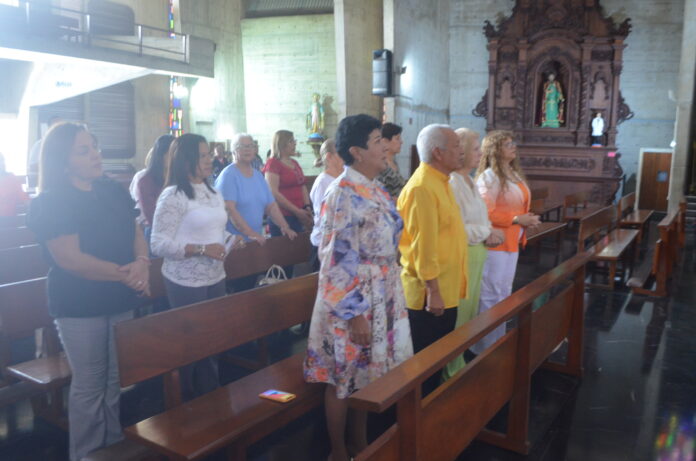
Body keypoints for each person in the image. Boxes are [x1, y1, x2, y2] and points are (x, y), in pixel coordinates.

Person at [27, 122, 149, 461]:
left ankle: (110, 448)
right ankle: (85, 454)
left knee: (114, 379)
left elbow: (135, 227)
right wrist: (126, 274)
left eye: (94, 147)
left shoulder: (110, 190)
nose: (96, 154)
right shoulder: (52, 201)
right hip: (79, 302)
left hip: (118, 294)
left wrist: (142, 260)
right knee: (90, 382)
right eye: (84, 150)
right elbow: (71, 260)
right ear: (63, 162)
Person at [304, 114, 412, 461]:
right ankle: (337, 451)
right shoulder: (342, 194)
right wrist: (354, 315)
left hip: (381, 291)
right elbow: (334, 261)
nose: (385, 147)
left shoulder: (374, 187)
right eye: (378, 140)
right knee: (342, 376)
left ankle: (359, 445)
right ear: (356, 150)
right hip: (352, 300)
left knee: (364, 376)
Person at [150, 133, 228, 400]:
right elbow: (158, 243)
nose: (210, 160)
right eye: (203, 155)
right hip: (185, 281)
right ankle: (183, 402)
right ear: (186, 160)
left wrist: (231, 240)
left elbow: (216, 229)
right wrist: (201, 249)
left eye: (209, 155)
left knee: (213, 343)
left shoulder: (213, 191)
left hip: (215, 277)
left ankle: (210, 399)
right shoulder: (173, 195)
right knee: (191, 347)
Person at [397, 123, 468, 396]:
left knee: (436, 362)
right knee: (423, 367)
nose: (461, 152)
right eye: (456, 147)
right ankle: (416, 420)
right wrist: (433, 291)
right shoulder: (422, 188)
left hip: (444, 290)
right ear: (438, 153)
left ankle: (429, 415)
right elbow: (422, 247)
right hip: (428, 298)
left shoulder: (442, 182)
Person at [442, 128, 504, 380]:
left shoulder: (469, 180)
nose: (480, 153)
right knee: (458, 315)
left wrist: (486, 230)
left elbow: (476, 218)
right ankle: (450, 368)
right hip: (463, 255)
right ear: (462, 151)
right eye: (476, 148)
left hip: (476, 254)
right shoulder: (453, 182)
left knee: (469, 314)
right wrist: (486, 232)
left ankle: (460, 359)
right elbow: (455, 228)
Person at [472, 130, 540, 355]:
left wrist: (526, 219)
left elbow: (517, 206)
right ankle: (481, 346)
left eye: (513, 142)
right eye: (507, 144)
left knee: (503, 292)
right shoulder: (489, 177)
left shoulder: (513, 173)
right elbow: (484, 211)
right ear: (495, 150)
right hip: (496, 243)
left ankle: (497, 340)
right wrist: (515, 219)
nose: (513, 146)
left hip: (512, 241)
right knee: (490, 294)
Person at [214, 133, 297, 292]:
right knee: (238, 291)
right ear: (233, 151)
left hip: (253, 244)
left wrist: (284, 226)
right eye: (243, 146)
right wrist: (252, 234)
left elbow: (271, 206)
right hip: (234, 246)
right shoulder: (229, 175)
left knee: (250, 289)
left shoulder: (258, 175)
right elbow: (230, 210)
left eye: (251, 146)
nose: (248, 149)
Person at [263, 130, 313, 277]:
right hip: (282, 216)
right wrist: (296, 211)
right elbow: (273, 192)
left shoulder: (294, 163)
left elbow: (302, 185)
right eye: (291, 141)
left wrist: (306, 207)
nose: (295, 143)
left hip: (299, 214)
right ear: (282, 144)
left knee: (295, 256)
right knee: (283, 260)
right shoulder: (273, 164)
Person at [309, 138, 344, 268]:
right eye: (341, 153)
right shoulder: (322, 182)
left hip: (339, 244)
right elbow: (323, 218)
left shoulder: (343, 178)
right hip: (323, 244)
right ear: (329, 157)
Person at [136, 135, 175, 241]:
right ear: (163, 155)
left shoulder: (178, 178)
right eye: (174, 153)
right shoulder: (146, 181)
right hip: (157, 233)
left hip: (180, 234)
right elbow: (152, 216)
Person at [27, 115, 62, 188]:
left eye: (61, 126)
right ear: (49, 128)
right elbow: (32, 167)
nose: (60, 129)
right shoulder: (40, 145)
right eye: (56, 126)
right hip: (46, 184)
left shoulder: (68, 145)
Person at [376, 122, 407, 199]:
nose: (401, 142)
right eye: (397, 138)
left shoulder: (394, 162)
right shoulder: (380, 165)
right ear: (385, 141)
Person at [0, 153, 30, 218]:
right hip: (11, 221)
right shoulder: (12, 178)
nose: (3, 164)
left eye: (3, 161)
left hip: (9, 221)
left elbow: (23, 197)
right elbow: (24, 198)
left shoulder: (12, 178)